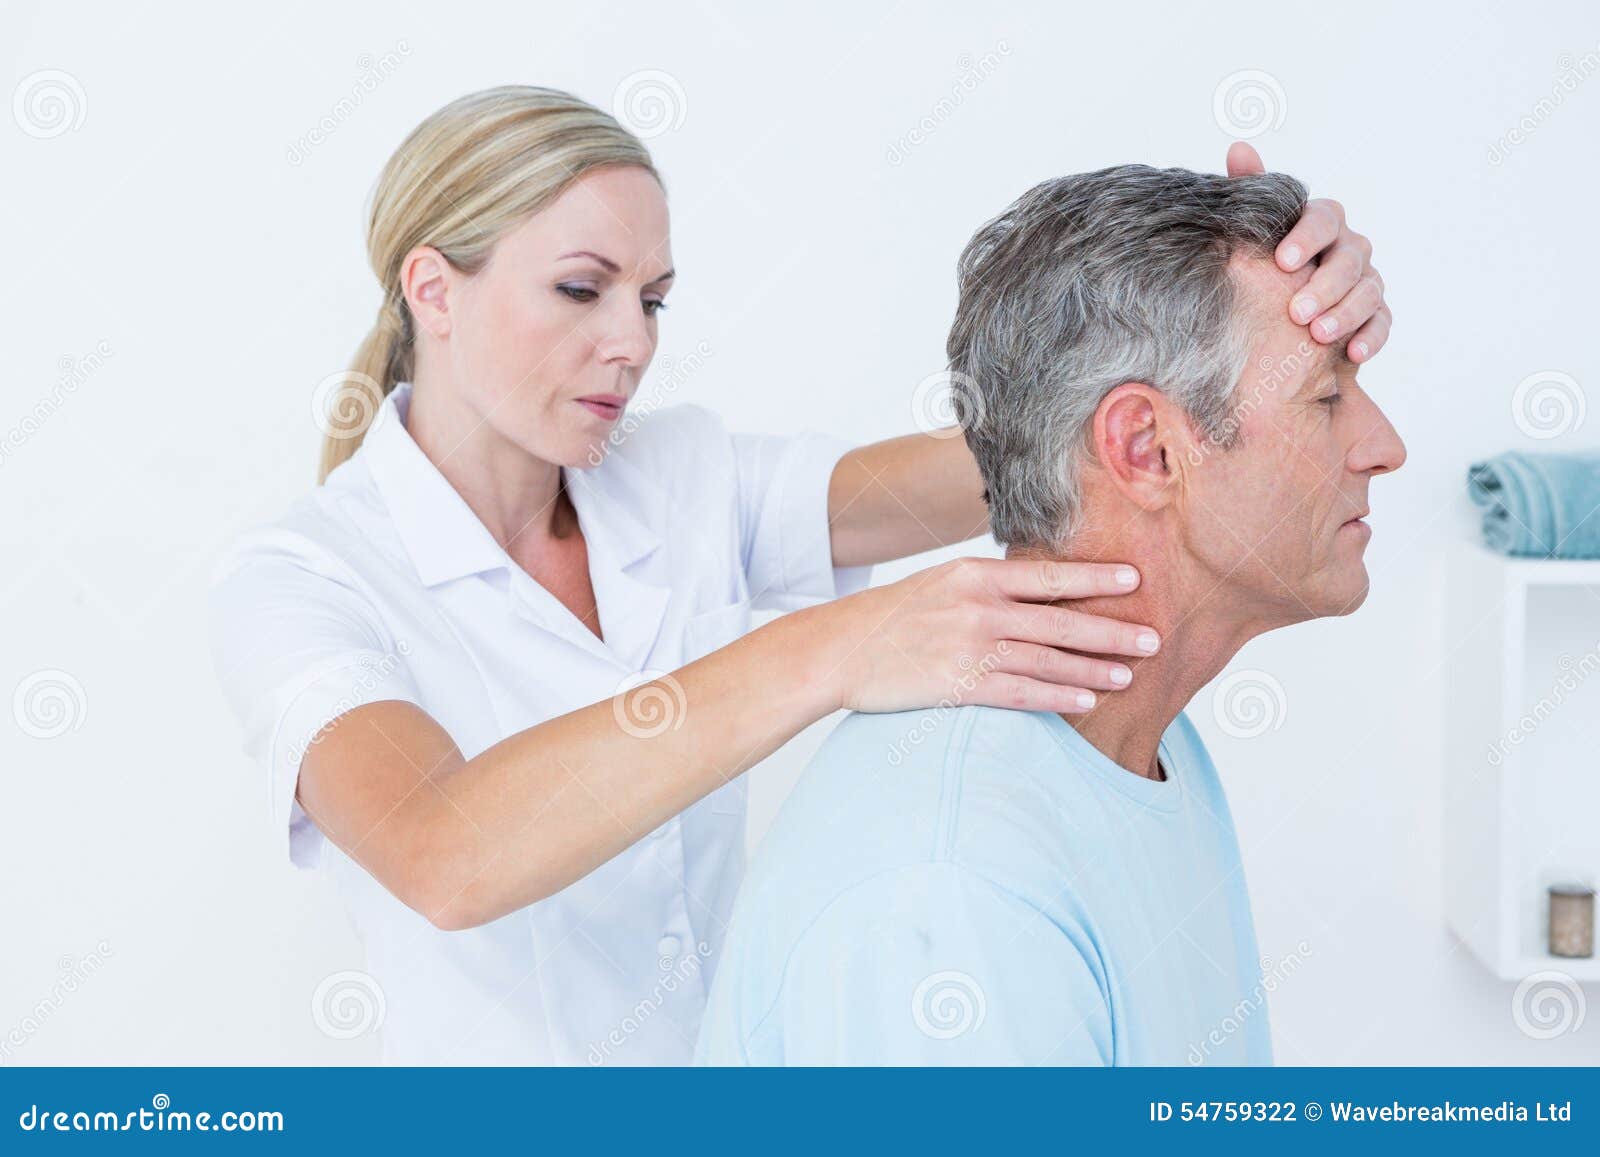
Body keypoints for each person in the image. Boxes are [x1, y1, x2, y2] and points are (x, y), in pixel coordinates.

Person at [207, 84, 1392, 1065]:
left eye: (653, 299)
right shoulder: (305, 580)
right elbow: (443, 853)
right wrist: (835, 650)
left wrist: (1240, 318)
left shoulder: (679, 475)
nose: (632, 340)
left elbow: (1060, 445)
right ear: (433, 288)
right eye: (582, 287)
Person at [694, 164, 1406, 1066]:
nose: (1386, 448)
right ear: (1146, 449)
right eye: (1328, 398)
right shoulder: (956, 890)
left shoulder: (1144, 746)